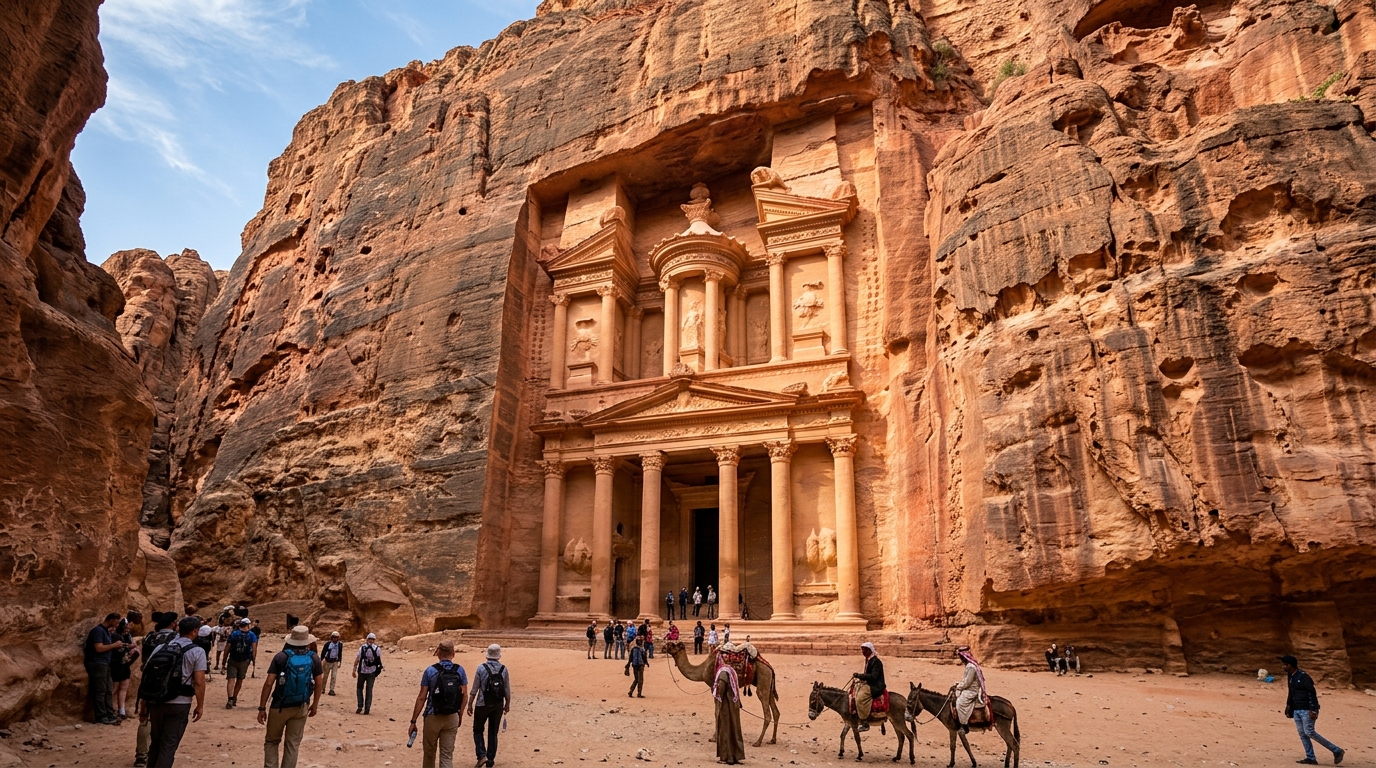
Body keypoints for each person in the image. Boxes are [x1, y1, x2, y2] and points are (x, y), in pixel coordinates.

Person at [139, 615, 207, 768]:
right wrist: (200, 705)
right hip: (180, 703)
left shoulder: (160, 647)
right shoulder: (197, 651)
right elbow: (199, 682)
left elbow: (147, 675)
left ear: (178, 629)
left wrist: (144, 703)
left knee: (155, 742)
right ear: (195, 631)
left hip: (155, 701)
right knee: (168, 745)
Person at [257, 626, 324, 768]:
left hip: (279, 706)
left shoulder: (281, 657)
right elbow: (319, 683)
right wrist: (315, 704)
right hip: (301, 705)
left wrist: (262, 707)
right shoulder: (313, 658)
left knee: (272, 741)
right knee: (292, 743)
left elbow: (269, 683)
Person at [408, 638, 467, 768]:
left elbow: (422, 697)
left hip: (432, 716)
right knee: (447, 755)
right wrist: (459, 715)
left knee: (429, 753)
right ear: (453, 653)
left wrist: (413, 721)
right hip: (452, 716)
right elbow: (464, 695)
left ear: (438, 652)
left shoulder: (430, 671)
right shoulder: (460, 670)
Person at [134, 612, 179, 767]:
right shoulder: (175, 639)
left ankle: (141, 754)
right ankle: (159, 754)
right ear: (173, 623)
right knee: (165, 721)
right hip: (167, 684)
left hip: (148, 680)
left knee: (144, 717)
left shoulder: (149, 637)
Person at [1281, 654, 1344, 765]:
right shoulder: (1291, 676)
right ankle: (1311, 758)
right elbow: (1291, 692)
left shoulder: (1303, 677)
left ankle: (1336, 750)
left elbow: (1312, 693)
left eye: (1285, 665)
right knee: (1303, 734)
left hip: (1306, 710)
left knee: (1309, 732)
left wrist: (1314, 710)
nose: (1283, 667)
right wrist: (1288, 706)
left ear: (1291, 665)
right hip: (1297, 709)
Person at [468, 643, 511, 768]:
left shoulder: (481, 668)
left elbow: (475, 688)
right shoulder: (504, 669)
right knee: (493, 732)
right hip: (498, 704)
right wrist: (507, 704)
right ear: (498, 655)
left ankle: (482, 755)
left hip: (482, 704)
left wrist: (470, 704)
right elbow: (507, 689)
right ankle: (490, 760)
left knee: (478, 729)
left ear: (487, 654)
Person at [85, 612, 126, 725]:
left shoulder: (106, 631)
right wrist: (114, 645)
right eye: (116, 622)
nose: (117, 625)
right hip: (97, 663)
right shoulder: (98, 631)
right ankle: (101, 716)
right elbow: (98, 648)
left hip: (105, 664)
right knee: (100, 690)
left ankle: (109, 713)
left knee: (108, 689)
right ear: (111, 620)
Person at [714, 658, 745, 764]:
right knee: (734, 729)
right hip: (734, 704)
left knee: (725, 729)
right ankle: (735, 756)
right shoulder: (731, 671)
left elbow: (720, 689)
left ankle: (726, 757)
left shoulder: (723, 672)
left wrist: (716, 692)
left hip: (726, 705)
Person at [953, 646, 988, 734]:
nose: (961, 659)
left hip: (971, 691)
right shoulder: (969, 666)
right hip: (969, 688)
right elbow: (966, 681)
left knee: (960, 703)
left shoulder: (971, 667)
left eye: (961, 657)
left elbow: (967, 683)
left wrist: (958, 686)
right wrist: (959, 684)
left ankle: (964, 725)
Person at [853, 641, 886, 731]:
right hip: (870, 683)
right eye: (862, 650)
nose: (863, 652)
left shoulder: (876, 662)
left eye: (864, 650)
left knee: (860, 698)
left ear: (869, 650)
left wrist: (861, 676)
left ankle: (864, 722)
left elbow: (874, 676)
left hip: (876, 686)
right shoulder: (869, 660)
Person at [224, 618, 257, 708]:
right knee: (240, 679)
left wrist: (224, 660)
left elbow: (227, 647)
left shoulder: (234, 634)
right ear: (247, 626)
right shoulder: (252, 635)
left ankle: (230, 698)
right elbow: (254, 648)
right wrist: (253, 660)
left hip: (233, 659)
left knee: (231, 679)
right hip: (245, 660)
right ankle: (234, 697)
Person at [110, 618, 137, 719]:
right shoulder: (115, 636)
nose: (127, 629)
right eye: (126, 627)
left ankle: (122, 710)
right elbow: (119, 649)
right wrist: (130, 646)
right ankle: (111, 709)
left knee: (124, 688)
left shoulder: (126, 636)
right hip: (116, 664)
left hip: (124, 665)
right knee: (115, 688)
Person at [354, 632, 383, 715]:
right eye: (370, 639)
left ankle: (363, 707)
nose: (370, 640)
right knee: (365, 690)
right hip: (368, 672)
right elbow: (357, 659)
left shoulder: (364, 648)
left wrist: (354, 669)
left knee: (363, 689)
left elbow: (357, 659)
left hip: (367, 672)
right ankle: (364, 707)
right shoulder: (375, 649)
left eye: (372, 639)